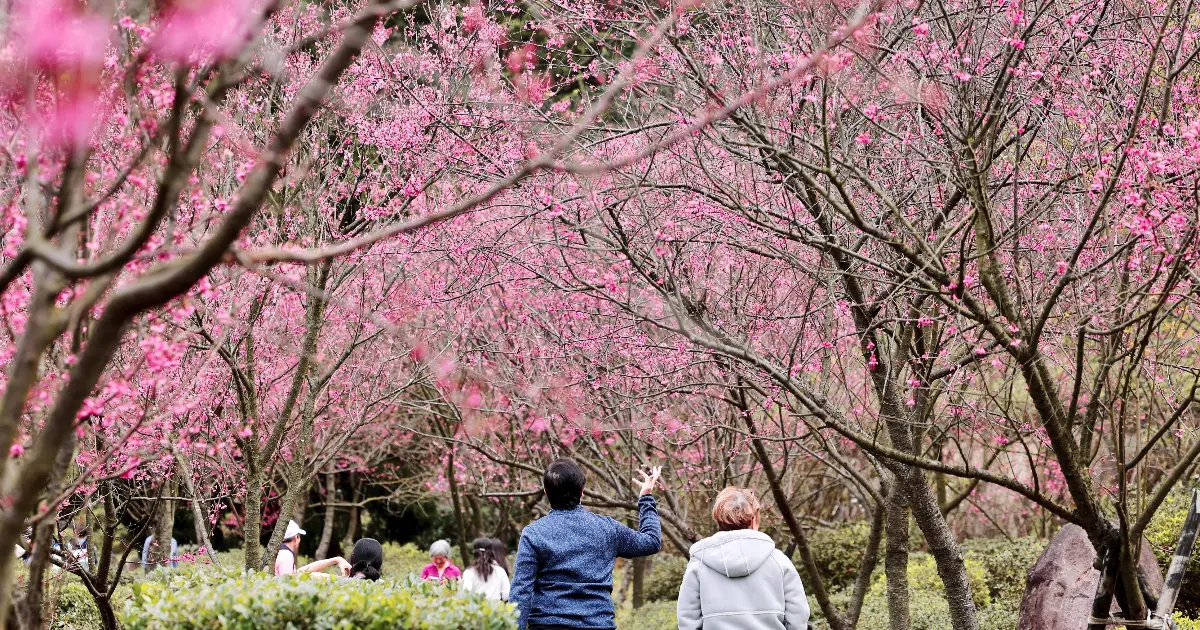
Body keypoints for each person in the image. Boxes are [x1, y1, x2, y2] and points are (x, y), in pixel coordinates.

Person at [510, 459, 662, 630]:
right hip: (597, 624)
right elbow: (651, 541)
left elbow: (521, 590)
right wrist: (646, 497)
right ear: (582, 492)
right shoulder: (607, 528)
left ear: (546, 492)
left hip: (547, 624)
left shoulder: (533, 533)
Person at [676, 487, 810, 630]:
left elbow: (687, 620)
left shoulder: (699, 563)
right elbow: (798, 616)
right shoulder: (779, 561)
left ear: (719, 520)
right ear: (754, 521)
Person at [274, 519, 352, 577]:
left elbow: (301, 571)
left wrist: (336, 559)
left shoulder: (280, 553)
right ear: (295, 538)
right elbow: (287, 581)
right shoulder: (286, 555)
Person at [461, 537, 510, 601]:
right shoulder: (500, 571)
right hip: (496, 609)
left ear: (474, 553)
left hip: (476, 609)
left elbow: (466, 593)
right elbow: (506, 596)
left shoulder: (469, 572)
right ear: (491, 552)